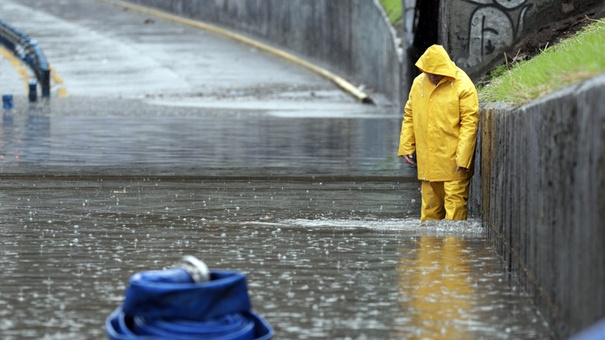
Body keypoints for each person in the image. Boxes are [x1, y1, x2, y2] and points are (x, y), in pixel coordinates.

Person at [398, 44, 479, 222]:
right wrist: (406, 145)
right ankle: (429, 248)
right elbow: (410, 114)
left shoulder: (463, 85)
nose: (432, 77)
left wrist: (463, 157)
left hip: (454, 161)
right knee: (429, 213)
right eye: (428, 72)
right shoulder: (419, 83)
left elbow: (469, 123)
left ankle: (453, 248)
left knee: (455, 211)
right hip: (429, 162)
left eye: (435, 73)